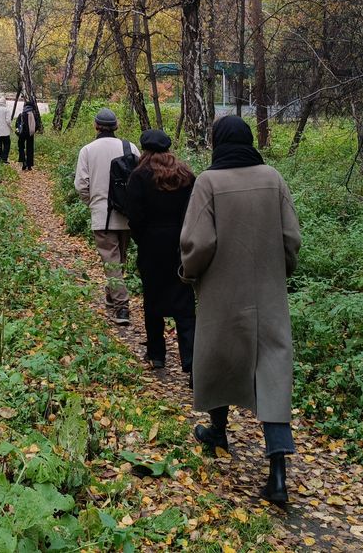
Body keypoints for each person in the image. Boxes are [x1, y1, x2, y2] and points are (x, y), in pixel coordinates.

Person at [180, 115, 301, 507]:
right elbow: (291, 238)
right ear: (249, 141)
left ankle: (218, 429)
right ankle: (277, 473)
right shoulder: (274, 178)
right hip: (268, 295)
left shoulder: (208, 182)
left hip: (221, 292)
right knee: (273, 374)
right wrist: (279, 271)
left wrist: (190, 273)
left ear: (217, 143)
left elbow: (198, 243)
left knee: (219, 359)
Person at [124, 128, 196, 375]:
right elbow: (193, 211)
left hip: (151, 245)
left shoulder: (139, 176)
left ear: (145, 149)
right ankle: (190, 359)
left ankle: (157, 355)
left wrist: (141, 239)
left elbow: (134, 216)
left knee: (152, 299)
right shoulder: (186, 175)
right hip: (181, 244)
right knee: (184, 301)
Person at [74, 108, 139, 325]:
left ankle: (122, 308)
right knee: (119, 258)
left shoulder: (88, 150)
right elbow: (141, 179)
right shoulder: (130, 148)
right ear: (116, 126)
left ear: (96, 125)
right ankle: (112, 296)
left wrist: (92, 203)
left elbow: (81, 184)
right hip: (127, 215)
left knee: (112, 261)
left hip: (102, 216)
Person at [15, 99, 42, 170]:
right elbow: (38, 125)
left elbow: (17, 124)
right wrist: (33, 131)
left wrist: (19, 132)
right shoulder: (34, 115)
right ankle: (29, 165)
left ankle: (23, 161)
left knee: (21, 147)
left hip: (22, 134)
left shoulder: (21, 114)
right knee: (30, 148)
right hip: (30, 134)